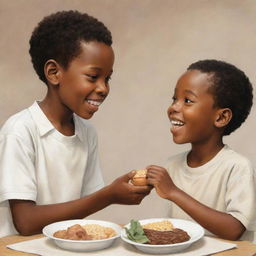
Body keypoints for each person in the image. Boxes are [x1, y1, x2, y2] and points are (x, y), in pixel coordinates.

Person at [0, 10, 151, 237]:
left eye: (107, 78)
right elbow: (25, 222)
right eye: (93, 76)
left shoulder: (86, 132)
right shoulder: (20, 131)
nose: (103, 88)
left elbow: (88, 202)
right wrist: (108, 195)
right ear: (54, 73)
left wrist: (116, 192)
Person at [146, 59, 256, 241]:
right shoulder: (172, 165)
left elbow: (234, 229)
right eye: (175, 99)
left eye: (187, 100)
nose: (173, 107)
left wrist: (173, 192)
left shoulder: (236, 167)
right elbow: (175, 231)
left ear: (221, 117)